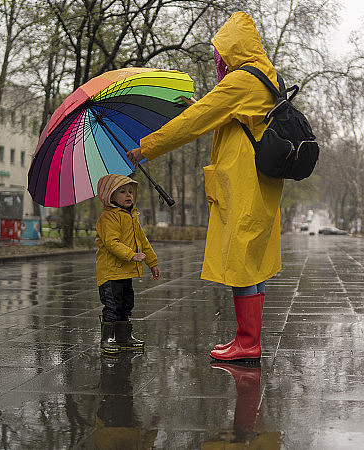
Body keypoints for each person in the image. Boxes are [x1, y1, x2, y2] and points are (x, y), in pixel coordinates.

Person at [127, 11, 283, 362]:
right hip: (260, 180)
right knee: (250, 260)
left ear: (233, 50)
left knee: (242, 259)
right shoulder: (266, 77)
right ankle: (248, 338)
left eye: (221, 53)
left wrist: (146, 147)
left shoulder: (242, 80)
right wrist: (201, 107)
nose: (219, 61)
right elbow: (229, 118)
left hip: (244, 180)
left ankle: (248, 341)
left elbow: (196, 123)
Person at [95, 174, 160, 356]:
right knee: (112, 306)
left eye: (130, 191)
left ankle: (124, 337)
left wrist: (152, 263)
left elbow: (143, 241)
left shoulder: (132, 217)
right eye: (122, 191)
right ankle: (107, 338)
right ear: (110, 195)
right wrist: (131, 255)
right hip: (110, 273)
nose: (128, 195)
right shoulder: (108, 218)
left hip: (125, 273)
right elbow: (111, 243)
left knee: (125, 305)